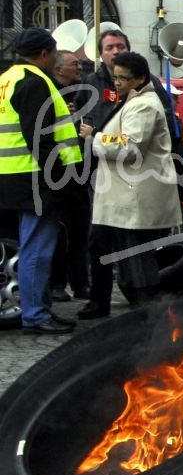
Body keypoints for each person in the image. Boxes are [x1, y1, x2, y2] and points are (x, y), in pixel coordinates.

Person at [79, 52, 182, 308]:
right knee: (126, 252)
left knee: (135, 254)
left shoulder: (142, 105)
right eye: (115, 77)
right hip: (126, 191)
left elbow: (130, 147)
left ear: (140, 79)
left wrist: (95, 136)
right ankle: (139, 306)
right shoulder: (135, 100)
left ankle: (148, 308)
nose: (117, 83)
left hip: (133, 192)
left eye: (123, 78)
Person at [0, 28, 83, 334]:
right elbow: (39, 137)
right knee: (37, 248)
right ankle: (35, 315)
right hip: (36, 178)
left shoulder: (7, 79)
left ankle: (39, 308)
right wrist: (58, 176)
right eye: (54, 53)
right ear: (45, 54)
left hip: (14, 175)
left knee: (32, 245)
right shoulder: (34, 82)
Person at [50, 50, 91, 302]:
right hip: (59, 176)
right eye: (74, 64)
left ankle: (81, 283)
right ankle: (57, 283)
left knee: (80, 233)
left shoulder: (79, 93)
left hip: (78, 174)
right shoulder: (48, 93)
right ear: (59, 69)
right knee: (59, 234)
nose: (79, 67)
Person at [160, 81, 183, 207]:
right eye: (175, 98)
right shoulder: (165, 118)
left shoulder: (173, 118)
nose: (178, 102)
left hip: (178, 170)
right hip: (170, 169)